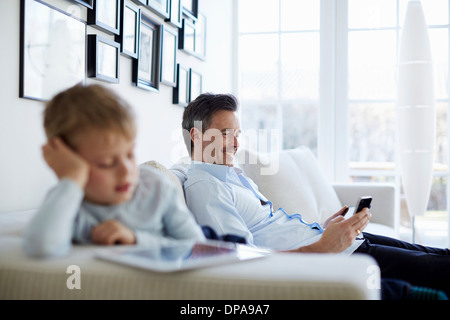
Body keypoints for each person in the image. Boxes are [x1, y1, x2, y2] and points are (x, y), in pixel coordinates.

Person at [181, 92, 450, 299]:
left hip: (335, 245)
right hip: (334, 257)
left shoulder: (229, 176)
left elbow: (269, 232)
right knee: (441, 270)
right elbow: (243, 261)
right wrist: (322, 247)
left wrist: (324, 230)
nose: (237, 144)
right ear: (197, 135)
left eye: (238, 134)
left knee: (440, 257)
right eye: (227, 134)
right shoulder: (205, 187)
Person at [23, 84, 205, 258]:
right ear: (70, 163)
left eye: (130, 154)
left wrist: (136, 239)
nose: (126, 170)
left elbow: (197, 246)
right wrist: (71, 178)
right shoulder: (70, 202)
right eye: (106, 163)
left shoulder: (157, 187)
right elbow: (41, 245)